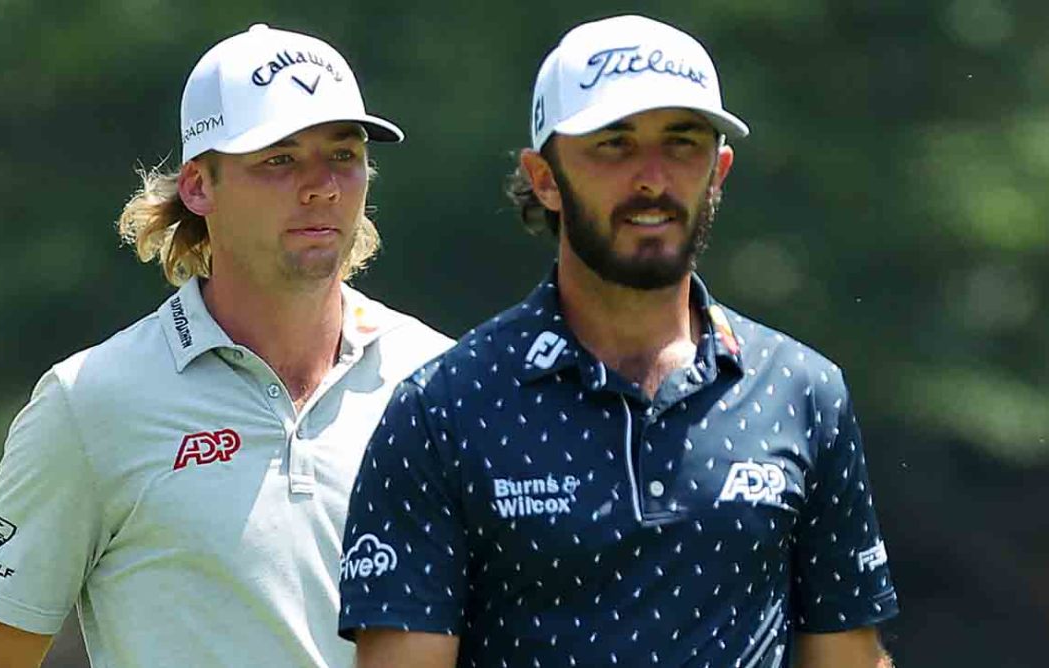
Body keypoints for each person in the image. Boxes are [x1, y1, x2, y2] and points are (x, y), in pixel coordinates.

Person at [338, 14, 898, 668]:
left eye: (682, 142)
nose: (653, 179)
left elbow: (848, 657)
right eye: (614, 145)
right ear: (544, 177)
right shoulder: (444, 407)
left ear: (718, 171)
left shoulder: (802, 391)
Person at [0, 23, 451, 668]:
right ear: (198, 187)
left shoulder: (442, 381)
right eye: (280, 159)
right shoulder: (89, 403)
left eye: (343, 155)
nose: (322, 185)